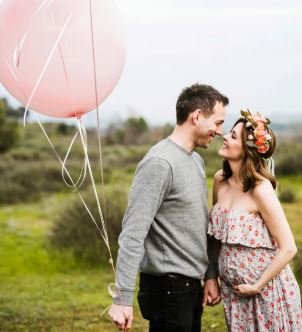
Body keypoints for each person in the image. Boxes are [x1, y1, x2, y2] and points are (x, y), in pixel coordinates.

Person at [108, 83, 229, 331]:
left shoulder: (195, 160)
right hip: (166, 289)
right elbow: (133, 232)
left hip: (189, 287)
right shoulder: (159, 163)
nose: (219, 131)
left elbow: (199, 223)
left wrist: (209, 274)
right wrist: (121, 299)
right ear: (196, 116)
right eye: (217, 123)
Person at [208, 110, 302, 331]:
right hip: (235, 293)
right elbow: (215, 237)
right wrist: (212, 277)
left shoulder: (260, 189)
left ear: (248, 149)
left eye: (232, 136)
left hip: (268, 292)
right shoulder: (219, 181)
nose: (225, 137)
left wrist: (258, 285)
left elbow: (288, 248)